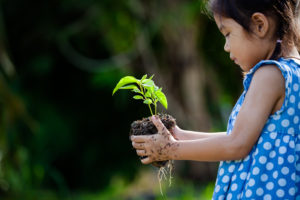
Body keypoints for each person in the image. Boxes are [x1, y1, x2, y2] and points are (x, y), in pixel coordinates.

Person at [130, 0, 300, 198]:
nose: (226, 47)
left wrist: (171, 149)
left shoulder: (269, 75)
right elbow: (236, 138)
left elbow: (236, 145)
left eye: (227, 34)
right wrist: (179, 135)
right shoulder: (292, 72)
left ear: (259, 25)